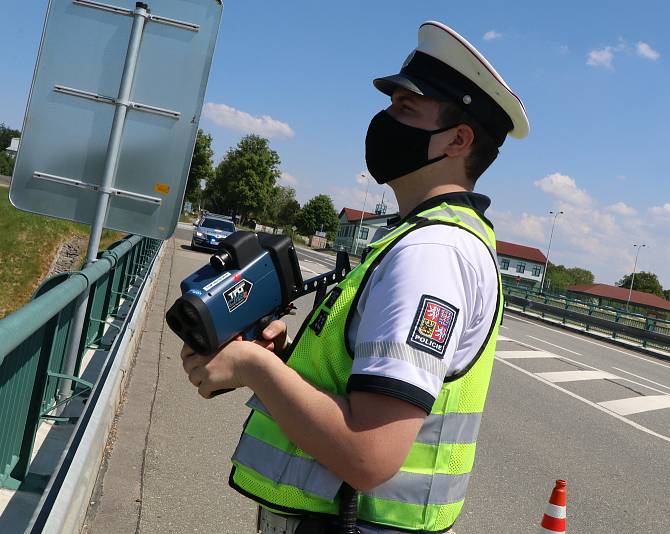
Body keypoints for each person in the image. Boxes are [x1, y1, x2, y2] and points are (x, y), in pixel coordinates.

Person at [181, 21, 529, 533]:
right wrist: (284, 363)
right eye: (389, 106)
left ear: (458, 139)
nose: (384, 120)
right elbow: (359, 381)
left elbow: (370, 454)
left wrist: (255, 368)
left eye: (405, 109)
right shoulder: (422, 237)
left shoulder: (431, 252)